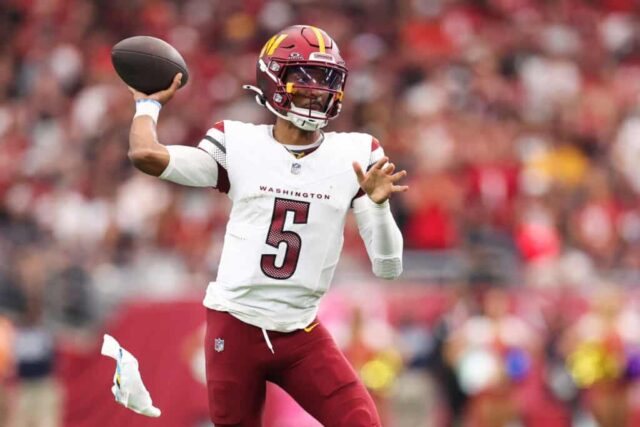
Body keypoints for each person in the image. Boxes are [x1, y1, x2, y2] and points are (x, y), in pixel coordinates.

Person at [125, 25, 407, 426]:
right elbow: (145, 154)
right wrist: (146, 105)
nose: (317, 90)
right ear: (274, 81)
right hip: (236, 327)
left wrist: (379, 207)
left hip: (301, 331)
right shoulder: (238, 143)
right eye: (304, 78)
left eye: (327, 80)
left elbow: (389, 268)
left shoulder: (358, 153)